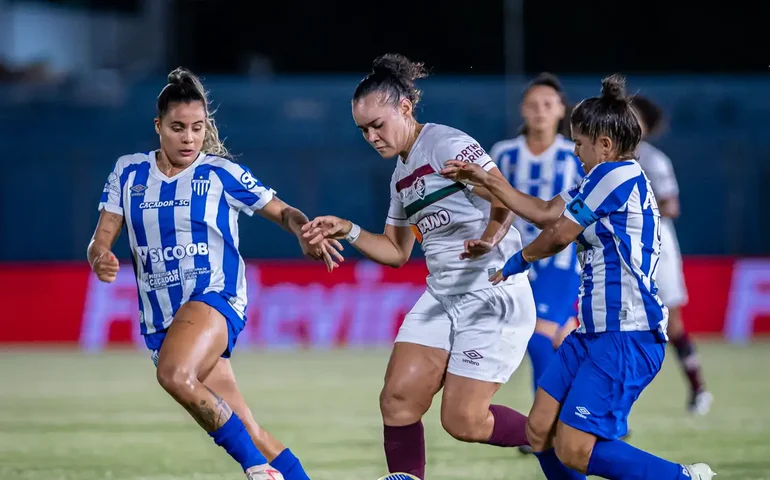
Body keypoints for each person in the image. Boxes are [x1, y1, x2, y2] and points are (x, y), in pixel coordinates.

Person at [440, 74, 715, 480]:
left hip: (628, 335)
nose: (575, 150)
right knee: (538, 432)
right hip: (591, 334)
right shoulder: (598, 180)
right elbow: (545, 209)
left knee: (574, 449)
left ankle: (681, 477)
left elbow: (557, 236)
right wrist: (487, 180)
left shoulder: (617, 175)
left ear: (604, 145)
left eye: (580, 142)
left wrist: (517, 260)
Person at [87, 67, 344, 480]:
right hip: (161, 320)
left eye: (197, 127)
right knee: (249, 428)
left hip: (214, 296)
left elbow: (282, 210)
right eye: (177, 128)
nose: (189, 138)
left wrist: (303, 229)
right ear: (158, 126)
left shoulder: (219, 173)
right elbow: (100, 240)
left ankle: (257, 471)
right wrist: (100, 257)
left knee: (173, 374)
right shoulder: (129, 172)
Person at [301, 53, 535, 479]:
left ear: (405, 108)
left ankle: (556, 434)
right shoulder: (400, 175)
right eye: (363, 130)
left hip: (492, 292)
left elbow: (503, 196)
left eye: (378, 125)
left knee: (463, 420)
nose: (372, 136)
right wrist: (347, 229)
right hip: (443, 297)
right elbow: (396, 251)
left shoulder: (446, 144)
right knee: (397, 400)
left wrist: (489, 239)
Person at [490, 73, 583, 423]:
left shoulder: (575, 154)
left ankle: (543, 424)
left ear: (561, 110)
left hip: (560, 262)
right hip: (516, 261)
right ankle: (593, 414)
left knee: (536, 336)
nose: (540, 111)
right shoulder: (504, 153)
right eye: (532, 105)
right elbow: (494, 206)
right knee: (563, 339)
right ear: (522, 110)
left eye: (547, 104)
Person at [631, 95, 712, 415]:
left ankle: (698, 386)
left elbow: (671, 206)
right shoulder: (605, 159)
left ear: (646, 127)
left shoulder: (653, 160)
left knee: (672, 324)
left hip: (659, 247)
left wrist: (634, 208)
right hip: (622, 249)